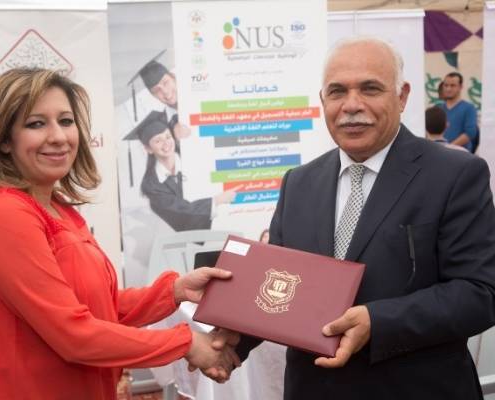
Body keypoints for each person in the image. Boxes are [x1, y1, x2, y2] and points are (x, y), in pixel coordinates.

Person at [208, 37, 495, 399]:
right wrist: (234, 342)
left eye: (370, 88)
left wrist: (378, 322)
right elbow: (281, 288)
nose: (352, 105)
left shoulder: (455, 174)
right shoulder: (298, 183)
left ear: (402, 96)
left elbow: (480, 293)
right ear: (323, 100)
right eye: (337, 91)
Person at [0, 68, 239, 399]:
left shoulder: (58, 208)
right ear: (5, 140)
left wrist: (175, 291)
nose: (58, 136)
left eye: (66, 121)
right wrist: (186, 342)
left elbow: (98, 307)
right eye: (36, 124)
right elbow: (74, 334)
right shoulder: (2, 213)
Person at [125, 110, 238, 232]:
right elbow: (182, 213)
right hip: (196, 237)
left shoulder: (191, 156)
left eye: (168, 137)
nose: (166, 144)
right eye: (158, 141)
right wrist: (217, 200)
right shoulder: (151, 185)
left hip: (229, 220)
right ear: (148, 149)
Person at [139, 59, 191, 140]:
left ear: (174, 78)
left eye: (166, 83)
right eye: (157, 90)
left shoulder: (199, 97)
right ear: (153, 95)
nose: (165, 92)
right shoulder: (162, 127)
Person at [440, 72, 479, 152]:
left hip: (461, 155)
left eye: (453, 85)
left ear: (460, 87)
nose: (448, 89)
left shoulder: (469, 108)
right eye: (446, 85)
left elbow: (470, 133)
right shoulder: (439, 108)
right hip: (441, 154)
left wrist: (449, 147)